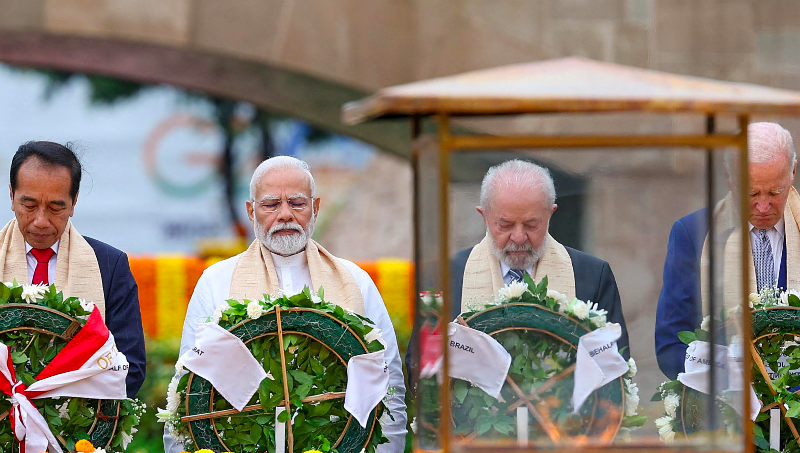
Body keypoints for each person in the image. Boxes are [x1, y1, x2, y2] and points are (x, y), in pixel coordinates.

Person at [166, 156, 407, 453]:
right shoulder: (217, 281)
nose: (284, 215)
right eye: (270, 205)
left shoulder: (355, 281)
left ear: (315, 208)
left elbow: (388, 384)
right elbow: (188, 386)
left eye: (297, 203)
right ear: (251, 211)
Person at [655, 122, 799, 379]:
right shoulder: (692, 234)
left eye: (775, 192)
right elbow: (671, 344)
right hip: (724, 407)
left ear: (793, 173)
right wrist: (725, 378)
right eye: (752, 192)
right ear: (729, 176)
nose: (763, 206)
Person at [2, 141, 146, 397]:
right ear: (11, 195)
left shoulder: (110, 266)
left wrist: (56, 405)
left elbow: (130, 367)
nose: (41, 221)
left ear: (74, 202)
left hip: (79, 431)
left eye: (56, 207)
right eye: (30, 205)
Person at [451, 159, 629, 353]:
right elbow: (421, 367)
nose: (519, 238)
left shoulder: (593, 276)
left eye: (531, 224)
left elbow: (615, 368)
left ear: (550, 214)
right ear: (484, 217)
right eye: (505, 225)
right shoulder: (448, 275)